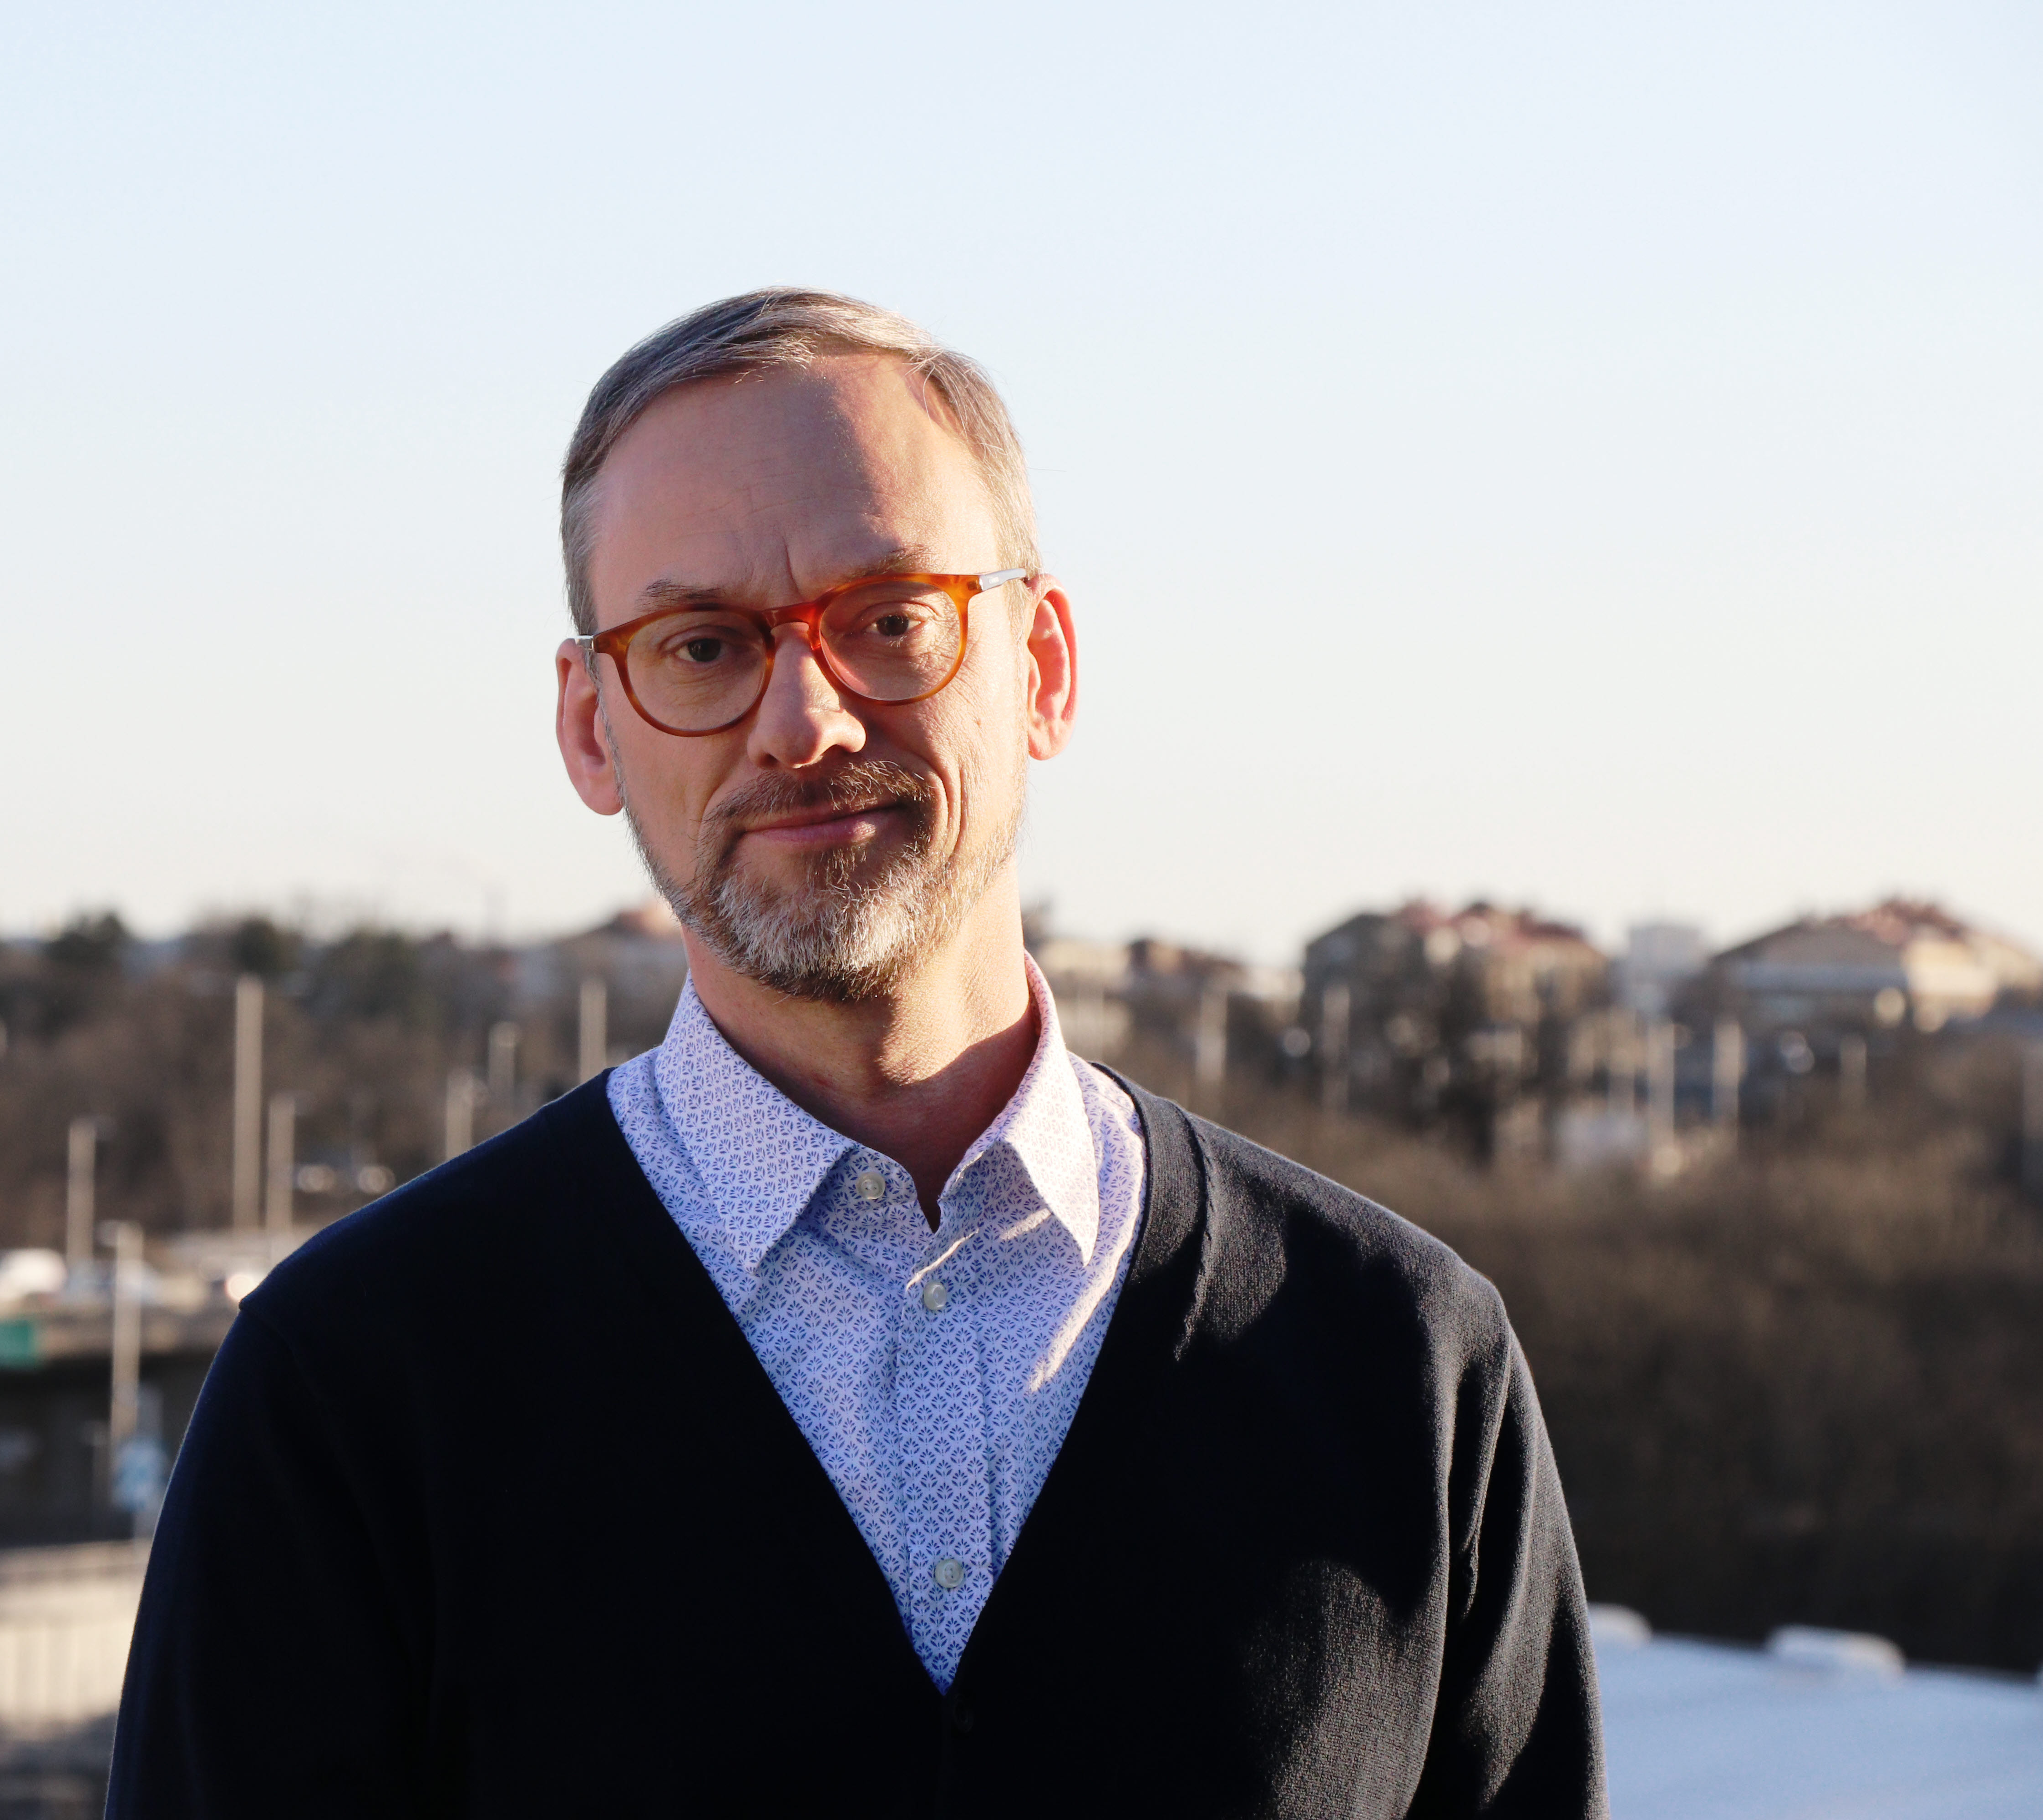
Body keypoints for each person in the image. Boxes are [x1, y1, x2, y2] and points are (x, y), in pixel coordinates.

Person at [108, 290, 1604, 1816]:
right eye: (701, 645)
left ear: (1044, 667)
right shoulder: (352, 1391)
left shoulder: (1406, 1369)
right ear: (591, 726)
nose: (803, 723)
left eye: (891, 619)